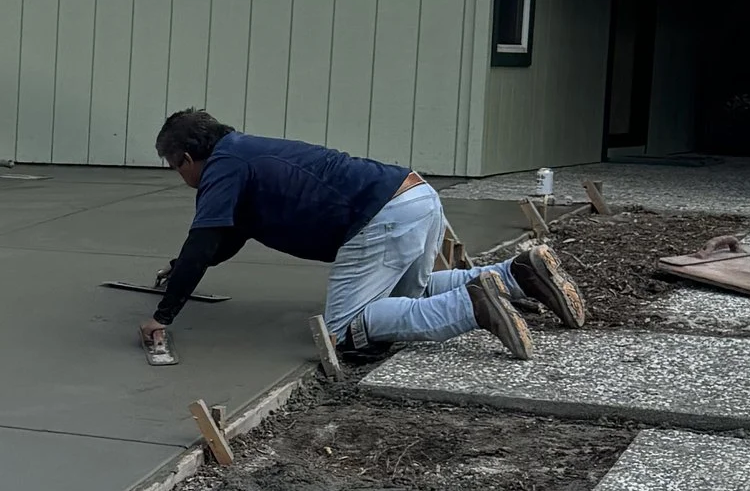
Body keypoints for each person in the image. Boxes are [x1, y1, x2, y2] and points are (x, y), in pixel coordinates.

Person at [137, 109, 584, 365]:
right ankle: (517, 273)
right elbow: (225, 239)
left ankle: (471, 304)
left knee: (344, 333)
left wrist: (164, 316)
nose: (182, 178)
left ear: (189, 157)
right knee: (411, 294)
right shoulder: (243, 152)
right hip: (415, 195)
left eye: (177, 167)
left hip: (378, 218)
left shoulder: (223, 167)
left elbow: (204, 237)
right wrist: (182, 272)